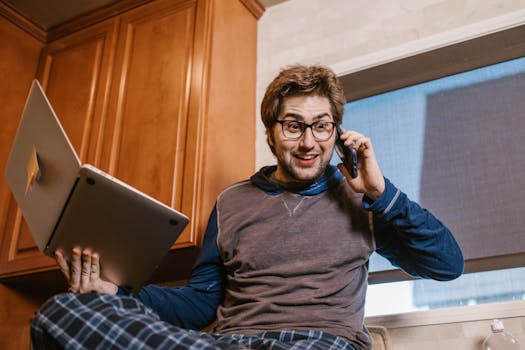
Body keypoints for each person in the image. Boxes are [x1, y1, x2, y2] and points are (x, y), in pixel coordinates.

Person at [31, 64, 464, 350]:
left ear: (337, 131)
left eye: (322, 126)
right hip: (229, 344)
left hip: (319, 342)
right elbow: (203, 303)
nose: (310, 142)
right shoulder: (231, 202)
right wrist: (121, 294)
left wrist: (380, 191)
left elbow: (447, 264)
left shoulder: (367, 201)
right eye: (294, 126)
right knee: (64, 312)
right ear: (271, 134)